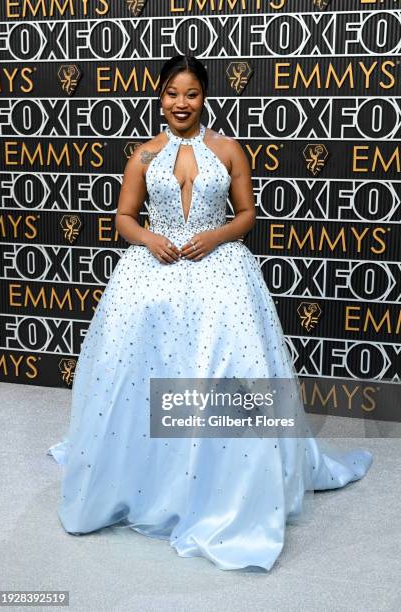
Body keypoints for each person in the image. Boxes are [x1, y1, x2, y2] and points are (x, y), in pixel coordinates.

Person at [47, 55, 373, 572]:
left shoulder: (228, 149)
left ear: (204, 97)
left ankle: (225, 486)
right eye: (173, 93)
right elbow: (124, 219)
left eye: (192, 93)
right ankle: (149, 479)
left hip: (221, 273)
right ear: (160, 97)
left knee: (225, 374)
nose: (182, 103)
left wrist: (214, 236)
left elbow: (247, 214)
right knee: (136, 379)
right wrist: (151, 237)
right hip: (151, 276)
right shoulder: (143, 155)